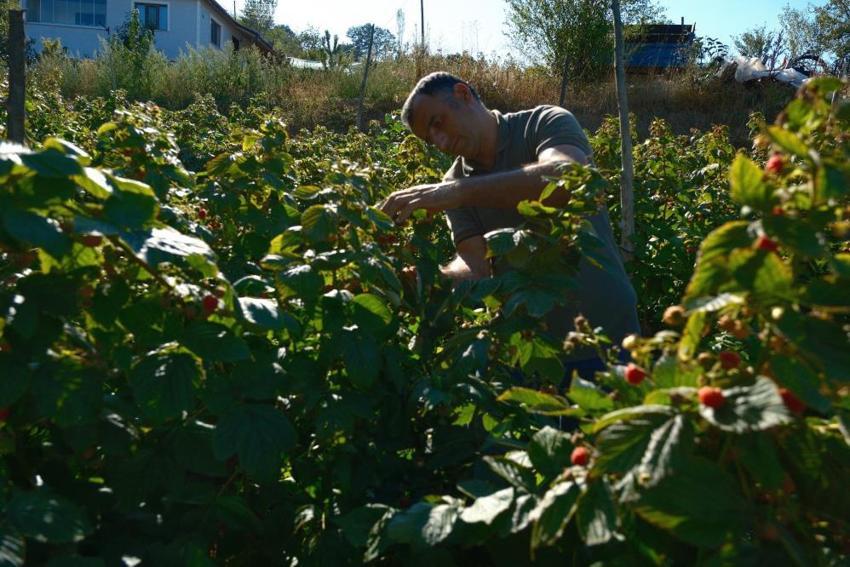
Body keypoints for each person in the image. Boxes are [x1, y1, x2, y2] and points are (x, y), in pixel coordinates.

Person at [380, 72, 639, 379]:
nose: (440, 141)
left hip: (609, 339)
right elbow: (477, 266)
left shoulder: (543, 122)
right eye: (429, 139)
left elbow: (566, 178)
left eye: (438, 123)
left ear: (463, 94)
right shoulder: (452, 184)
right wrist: (427, 281)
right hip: (531, 353)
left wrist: (457, 193)